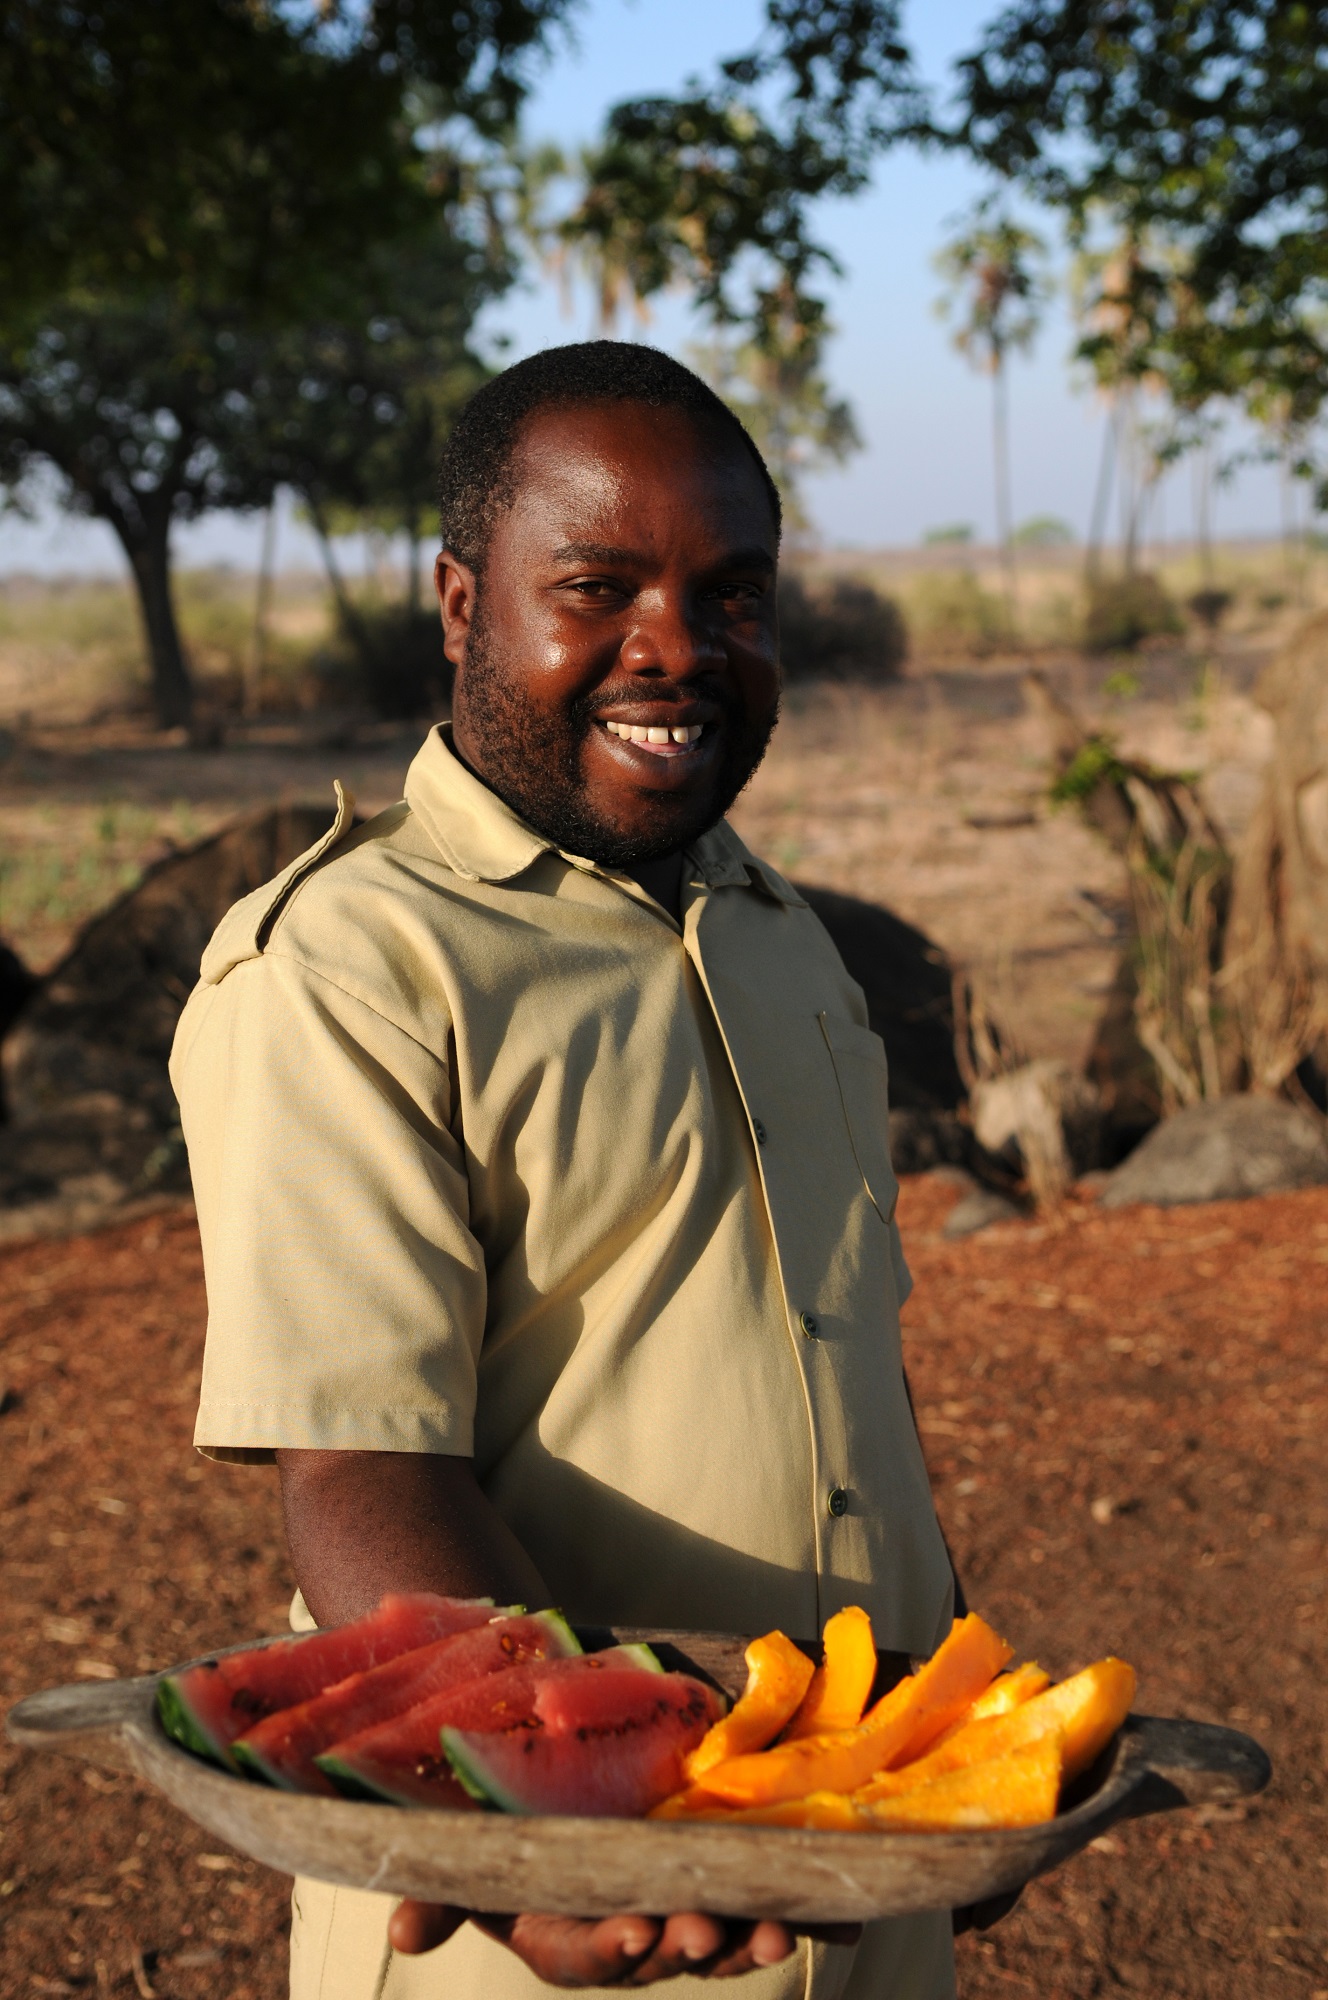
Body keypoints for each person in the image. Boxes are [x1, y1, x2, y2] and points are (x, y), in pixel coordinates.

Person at [171, 341, 959, 1998]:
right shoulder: (351, 966)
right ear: (463, 607)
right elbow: (359, 1462)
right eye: (597, 587)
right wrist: (537, 1835)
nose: (676, 649)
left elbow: (843, 1375)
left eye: (731, 594)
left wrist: (948, 1722)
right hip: (553, 1916)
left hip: (862, 1858)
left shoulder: (780, 935)